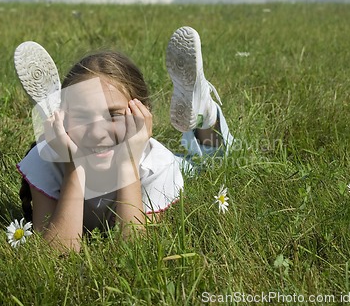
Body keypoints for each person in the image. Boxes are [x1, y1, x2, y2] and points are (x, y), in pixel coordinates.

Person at [14, 26, 234, 252]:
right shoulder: (45, 158)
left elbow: (133, 252)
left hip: (141, 155)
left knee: (207, 161)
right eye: (81, 116)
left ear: (143, 114)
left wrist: (128, 161)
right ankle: (59, 114)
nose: (98, 132)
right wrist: (74, 167)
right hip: (81, 145)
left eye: (113, 115)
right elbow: (55, 253)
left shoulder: (158, 166)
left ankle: (205, 111)